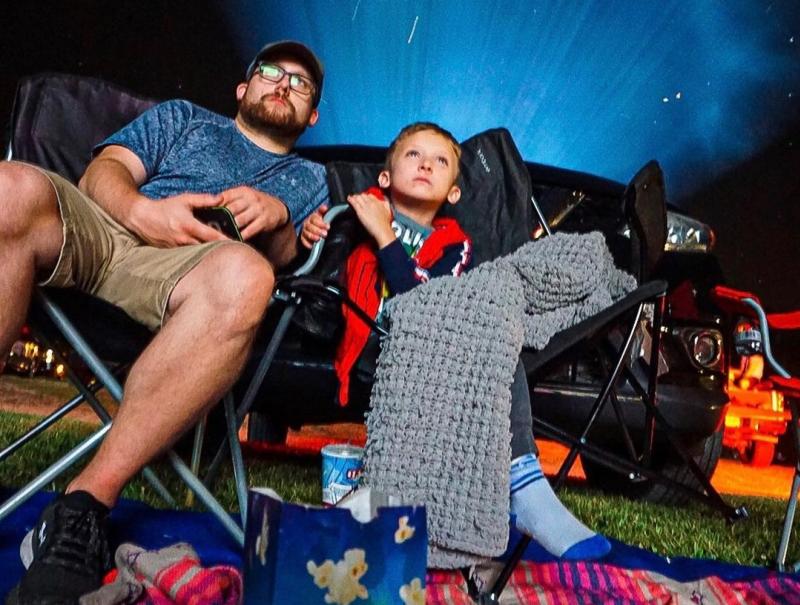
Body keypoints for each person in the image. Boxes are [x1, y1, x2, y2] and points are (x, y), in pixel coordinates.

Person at [1, 40, 328, 603]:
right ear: (242, 89)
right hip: (105, 229)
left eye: (300, 84)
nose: (283, 84)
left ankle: (81, 509)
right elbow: (105, 171)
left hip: (186, 274)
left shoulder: (308, 176)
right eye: (271, 72)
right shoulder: (183, 119)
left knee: (248, 277)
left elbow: (276, 261)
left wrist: (277, 218)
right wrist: (142, 211)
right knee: (8, 186)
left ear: (313, 115)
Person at [301, 122, 611, 563]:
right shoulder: (356, 214)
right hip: (378, 350)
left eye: (440, 160)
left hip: (440, 355)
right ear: (385, 178)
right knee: (488, 326)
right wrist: (314, 229)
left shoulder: (454, 246)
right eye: (413, 155)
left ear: (453, 193)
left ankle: (521, 477)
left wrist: (386, 237)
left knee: (496, 328)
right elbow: (320, 262)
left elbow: (431, 302)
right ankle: (521, 487)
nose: (426, 163)